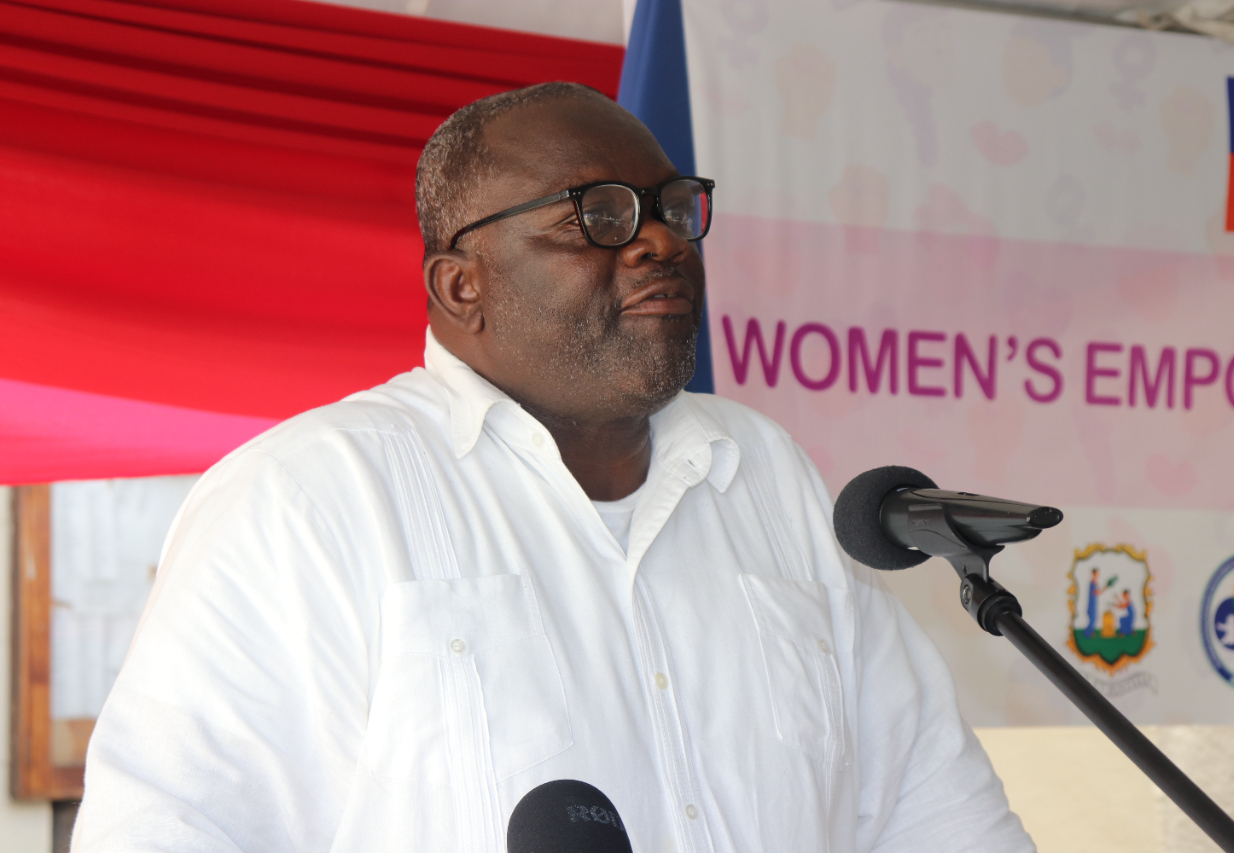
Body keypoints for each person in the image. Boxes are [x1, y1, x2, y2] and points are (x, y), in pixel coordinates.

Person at [73, 82, 1032, 853]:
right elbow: (171, 828)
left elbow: (931, 808)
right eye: (596, 216)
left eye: (672, 208)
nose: (660, 240)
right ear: (462, 285)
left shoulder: (764, 471)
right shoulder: (310, 495)